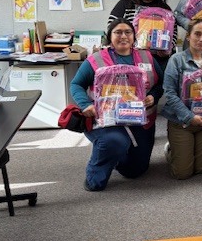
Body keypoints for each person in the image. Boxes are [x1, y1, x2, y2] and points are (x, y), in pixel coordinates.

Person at [70, 18, 163, 191]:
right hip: (107, 121)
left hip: (140, 121)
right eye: (118, 32)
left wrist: (153, 96)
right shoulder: (95, 60)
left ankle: (115, 156)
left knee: (135, 171)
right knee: (115, 142)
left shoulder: (147, 57)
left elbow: (160, 84)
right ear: (109, 36)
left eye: (128, 32)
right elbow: (76, 84)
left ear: (134, 36)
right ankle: (94, 176)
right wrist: (85, 105)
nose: (123, 36)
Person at [161, 19, 202, 179]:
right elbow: (170, 93)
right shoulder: (176, 60)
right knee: (182, 173)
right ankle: (172, 149)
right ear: (188, 36)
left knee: (201, 168)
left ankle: (185, 151)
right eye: (197, 34)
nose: (201, 39)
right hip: (181, 122)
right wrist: (189, 117)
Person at [107, 0, 176, 73]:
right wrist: (125, 44)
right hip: (128, 57)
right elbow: (111, 27)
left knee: (157, 86)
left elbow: (173, 33)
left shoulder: (165, 9)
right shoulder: (125, 4)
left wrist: (167, 49)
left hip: (158, 59)